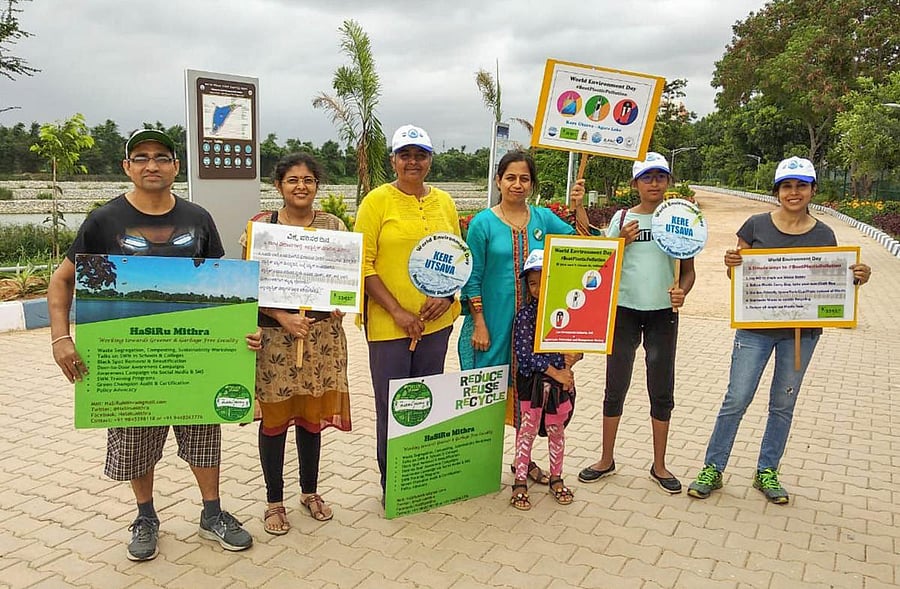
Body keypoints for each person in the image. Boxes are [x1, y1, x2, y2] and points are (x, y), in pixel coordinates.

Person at [47, 129, 252, 561]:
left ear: (176, 166)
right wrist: (61, 338)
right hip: (132, 358)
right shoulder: (104, 220)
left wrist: (240, 335)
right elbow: (61, 280)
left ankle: (212, 512)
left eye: (161, 157)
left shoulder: (198, 218)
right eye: (141, 157)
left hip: (194, 356)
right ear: (127, 167)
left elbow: (220, 285)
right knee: (136, 441)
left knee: (203, 434)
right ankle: (145, 517)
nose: (151, 165)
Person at [687, 156, 871, 504]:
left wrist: (857, 277)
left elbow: (832, 282)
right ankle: (713, 467)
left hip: (800, 335)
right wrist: (732, 264)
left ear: (813, 190)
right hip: (754, 331)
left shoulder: (824, 234)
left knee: (783, 403)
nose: (794, 192)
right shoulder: (755, 226)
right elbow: (737, 277)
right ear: (777, 191)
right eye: (787, 186)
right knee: (736, 399)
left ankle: (767, 471)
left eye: (801, 185)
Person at [459, 150, 586, 486]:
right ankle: (478, 465)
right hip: (493, 325)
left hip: (534, 330)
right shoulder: (482, 223)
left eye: (524, 178)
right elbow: (473, 276)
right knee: (486, 392)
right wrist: (479, 322)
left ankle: (522, 461)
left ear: (532, 184)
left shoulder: (543, 219)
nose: (517, 184)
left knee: (527, 394)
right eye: (510, 177)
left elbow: (580, 246)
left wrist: (578, 208)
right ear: (498, 181)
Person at [241, 153, 351, 533]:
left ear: (317, 185)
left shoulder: (333, 226)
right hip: (275, 340)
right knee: (274, 421)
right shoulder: (261, 227)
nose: (301, 186)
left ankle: (310, 492)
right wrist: (282, 317)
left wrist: (341, 304)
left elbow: (344, 279)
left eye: (308, 180)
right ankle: (274, 502)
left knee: (310, 419)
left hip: (321, 340)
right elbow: (246, 285)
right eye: (292, 180)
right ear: (279, 186)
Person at [575, 152, 695, 494]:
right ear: (635, 184)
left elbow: (688, 272)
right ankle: (606, 459)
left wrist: (682, 292)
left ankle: (660, 465)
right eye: (647, 177)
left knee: (661, 387)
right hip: (624, 311)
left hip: (663, 314)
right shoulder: (623, 218)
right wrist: (620, 241)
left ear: (668, 181)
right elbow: (601, 260)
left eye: (660, 177)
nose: (654, 183)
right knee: (615, 385)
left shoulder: (679, 219)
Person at [354, 124, 461, 496]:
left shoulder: (444, 202)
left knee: (424, 401)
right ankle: (394, 484)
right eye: (405, 155)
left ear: (430, 160)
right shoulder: (377, 202)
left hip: (436, 324)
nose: (413, 162)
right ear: (393, 161)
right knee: (393, 405)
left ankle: (419, 479)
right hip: (389, 326)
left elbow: (458, 256)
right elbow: (363, 264)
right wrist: (397, 311)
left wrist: (447, 297)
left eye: (420, 155)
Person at [510, 249, 582, 510]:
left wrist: (573, 360)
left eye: (544, 281)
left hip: (560, 388)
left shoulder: (567, 314)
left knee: (556, 430)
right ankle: (520, 481)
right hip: (532, 386)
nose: (538, 288)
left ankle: (556, 478)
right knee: (527, 431)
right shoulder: (526, 316)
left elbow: (579, 344)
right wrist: (556, 372)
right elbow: (525, 355)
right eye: (532, 283)